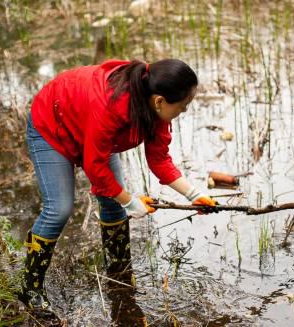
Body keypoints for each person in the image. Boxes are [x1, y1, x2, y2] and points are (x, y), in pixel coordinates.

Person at [18, 59, 217, 314]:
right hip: (53, 125)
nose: (185, 110)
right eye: (183, 105)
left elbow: (159, 160)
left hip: (91, 129)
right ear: (159, 101)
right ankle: (30, 288)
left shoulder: (156, 111)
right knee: (59, 209)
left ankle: (119, 274)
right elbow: (95, 167)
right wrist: (129, 201)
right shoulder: (111, 107)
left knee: (113, 201)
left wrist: (195, 194)